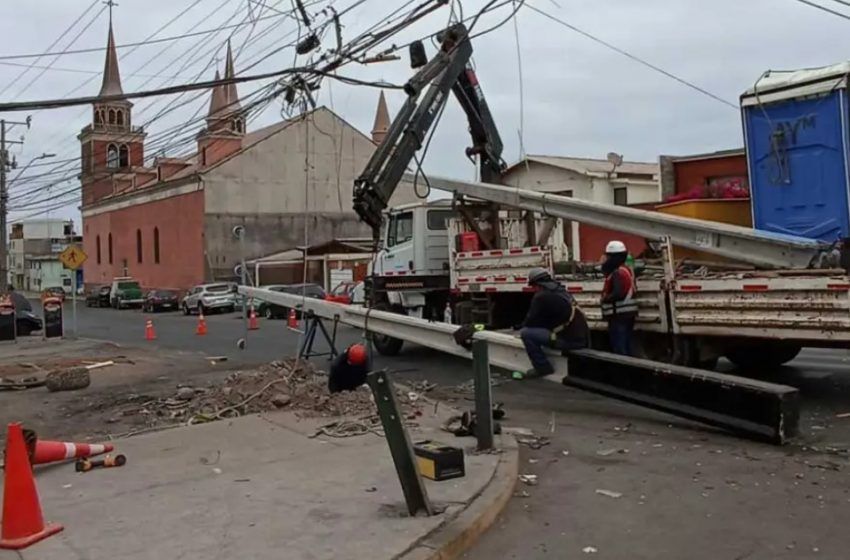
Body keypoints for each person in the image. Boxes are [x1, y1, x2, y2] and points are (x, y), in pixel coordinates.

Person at [519, 268, 589, 377]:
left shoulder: (541, 297)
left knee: (526, 334)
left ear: (536, 284)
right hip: (581, 338)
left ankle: (543, 368)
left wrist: (519, 326)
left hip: (568, 341)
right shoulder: (561, 291)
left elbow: (530, 321)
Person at [600, 240, 638, 355]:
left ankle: (623, 371)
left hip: (619, 316)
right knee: (625, 344)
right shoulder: (625, 270)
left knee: (620, 348)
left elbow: (618, 293)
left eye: (607, 256)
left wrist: (605, 298)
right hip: (626, 315)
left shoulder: (617, 273)